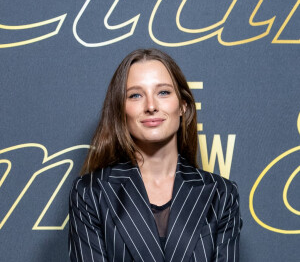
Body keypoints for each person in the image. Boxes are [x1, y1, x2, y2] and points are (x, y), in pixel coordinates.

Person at [68, 48, 242, 262]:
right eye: (135, 95)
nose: (151, 106)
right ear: (121, 111)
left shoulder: (221, 194)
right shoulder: (91, 193)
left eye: (163, 92)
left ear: (183, 106)